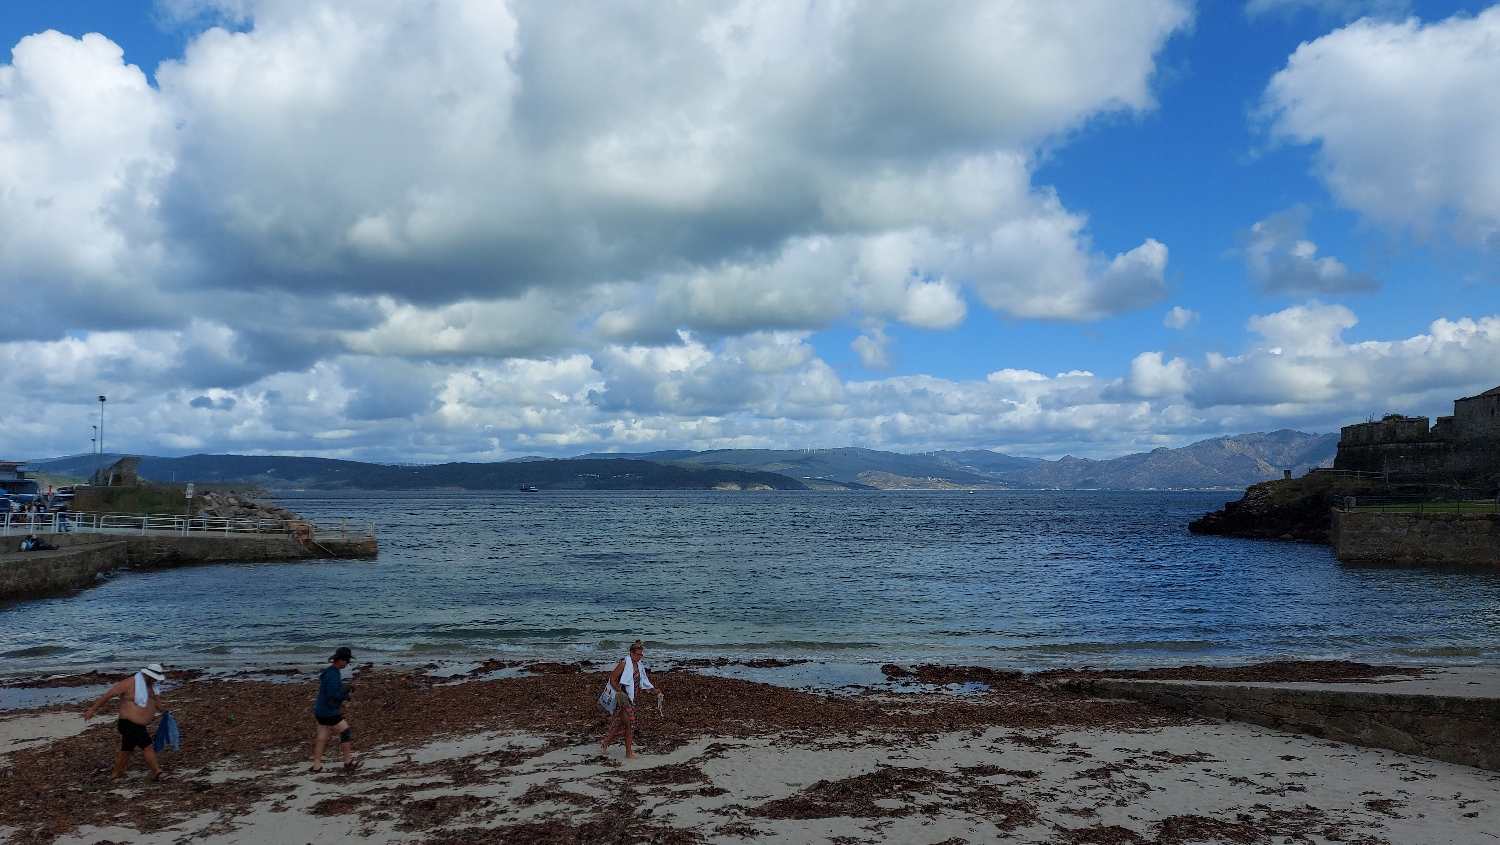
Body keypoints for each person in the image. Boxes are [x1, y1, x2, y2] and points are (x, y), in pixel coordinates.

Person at [84, 664, 170, 782]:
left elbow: (155, 699)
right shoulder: (129, 683)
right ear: (148, 675)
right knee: (148, 746)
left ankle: (115, 774)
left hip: (139, 725)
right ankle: (157, 772)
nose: (156, 680)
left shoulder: (152, 686)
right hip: (127, 723)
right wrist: (92, 709)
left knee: (126, 750)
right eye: (154, 677)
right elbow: (108, 695)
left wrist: (162, 710)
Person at [600, 639, 663, 759]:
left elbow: (643, 681)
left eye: (641, 655)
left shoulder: (639, 665)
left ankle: (605, 743)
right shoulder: (623, 665)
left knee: (620, 724)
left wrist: (653, 690)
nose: (639, 657)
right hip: (622, 700)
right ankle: (628, 753)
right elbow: (612, 679)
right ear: (631, 653)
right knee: (630, 724)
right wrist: (621, 692)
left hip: (631, 699)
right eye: (637, 654)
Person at [312, 646, 362, 773]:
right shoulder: (333, 675)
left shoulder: (329, 672)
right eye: (347, 661)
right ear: (340, 660)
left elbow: (327, 693)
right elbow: (332, 694)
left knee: (321, 737)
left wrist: (340, 704)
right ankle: (347, 761)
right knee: (346, 731)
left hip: (320, 710)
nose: (347, 663)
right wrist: (347, 697)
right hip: (329, 712)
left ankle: (316, 766)